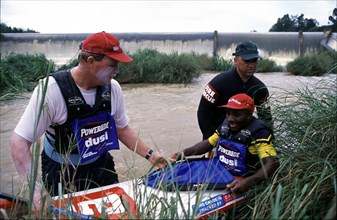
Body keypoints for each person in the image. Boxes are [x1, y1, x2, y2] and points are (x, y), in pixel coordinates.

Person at [10, 31, 166, 211]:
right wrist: (36, 192)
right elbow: (18, 143)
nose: (117, 70)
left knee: (117, 211)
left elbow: (122, 129)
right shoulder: (51, 90)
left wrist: (152, 156)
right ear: (91, 61)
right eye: (112, 64)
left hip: (101, 165)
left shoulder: (113, 88)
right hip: (60, 171)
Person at [170, 93, 279, 194]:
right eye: (228, 113)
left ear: (249, 115)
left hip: (244, 178)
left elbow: (272, 163)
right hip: (221, 172)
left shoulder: (260, 133)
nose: (231, 119)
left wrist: (248, 182)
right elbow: (208, 144)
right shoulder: (225, 126)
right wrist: (183, 153)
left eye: (237, 114)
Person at [197, 41, 272, 140]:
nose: (252, 65)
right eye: (247, 61)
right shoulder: (218, 83)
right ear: (235, 60)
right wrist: (211, 141)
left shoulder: (260, 88)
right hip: (215, 135)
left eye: (254, 61)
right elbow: (202, 113)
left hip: (244, 139)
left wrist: (269, 141)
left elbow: (266, 119)